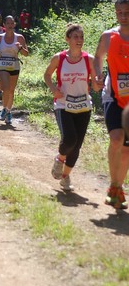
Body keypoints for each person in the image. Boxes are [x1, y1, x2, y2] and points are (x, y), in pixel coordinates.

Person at [44, 23, 98, 192]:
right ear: (68, 39)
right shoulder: (58, 58)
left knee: (76, 146)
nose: (79, 40)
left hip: (83, 106)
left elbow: (95, 84)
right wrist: (54, 89)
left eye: (81, 37)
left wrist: (98, 84)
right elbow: (47, 75)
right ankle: (60, 159)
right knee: (69, 139)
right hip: (63, 105)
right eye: (75, 37)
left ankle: (65, 178)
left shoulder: (89, 59)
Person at [94, 0, 129, 209]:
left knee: (126, 149)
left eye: (127, 12)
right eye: (119, 13)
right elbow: (97, 59)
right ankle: (113, 184)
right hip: (113, 95)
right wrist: (97, 76)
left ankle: (117, 187)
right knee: (116, 139)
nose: (123, 16)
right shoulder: (108, 36)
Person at [0, 15, 28, 125]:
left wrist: (20, 47)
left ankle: (8, 111)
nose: (10, 25)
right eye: (8, 23)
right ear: (4, 25)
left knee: (11, 91)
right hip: (2, 65)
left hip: (15, 66)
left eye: (12, 23)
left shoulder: (20, 37)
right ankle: (3, 110)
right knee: (6, 89)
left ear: (14, 24)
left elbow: (26, 54)